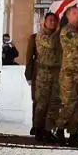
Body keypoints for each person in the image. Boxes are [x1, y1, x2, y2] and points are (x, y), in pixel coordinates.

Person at [55, 6, 78, 147]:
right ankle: (60, 130)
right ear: (68, 16)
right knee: (69, 104)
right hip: (69, 73)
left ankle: (74, 134)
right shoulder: (66, 31)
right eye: (74, 13)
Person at [33, 12, 61, 142]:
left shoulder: (59, 36)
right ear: (44, 22)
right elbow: (51, 43)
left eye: (55, 21)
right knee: (42, 103)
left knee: (54, 103)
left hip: (56, 72)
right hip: (44, 73)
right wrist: (58, 31)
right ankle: (38, 129)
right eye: (50, 20)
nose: (53, 22)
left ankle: (48, 129)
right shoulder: (40, 35)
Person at [24, 30, 37, 135]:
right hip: (38, 75)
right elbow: (29, 58)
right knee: (37, 101)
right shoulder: (34, 38)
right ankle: (36, 126)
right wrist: (29, 75)